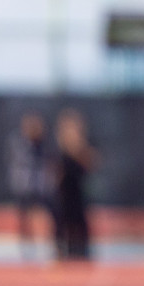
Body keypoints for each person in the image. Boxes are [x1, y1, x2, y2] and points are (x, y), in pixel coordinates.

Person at [52, 109, 95, 261]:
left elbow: (90, 165)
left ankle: (82, 251)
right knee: (62, 222)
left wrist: (78, 147)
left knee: (80, 222)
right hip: (64, 193)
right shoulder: (59, 149)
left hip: (77, 191)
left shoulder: (82, 149)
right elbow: (55, 171)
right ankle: (62, 251)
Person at [7, 112, 51, 257]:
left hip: (39, 187)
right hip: (23, 187)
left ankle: (43, 244)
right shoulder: (18, 143)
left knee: (40, 215)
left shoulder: (43, 145)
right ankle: (26, 246)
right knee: (24, 217)